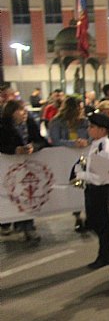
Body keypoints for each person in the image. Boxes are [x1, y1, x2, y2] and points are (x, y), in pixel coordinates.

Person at [73, 113, 109, 268]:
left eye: (92, 127)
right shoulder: (97, 144)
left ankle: (105, 255)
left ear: (102, 130)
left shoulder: (104, 148)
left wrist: (81, 175)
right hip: (94, 188)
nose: (89, 129)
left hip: (100, 189)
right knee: (97, 222)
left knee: (102, 224)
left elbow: (101, 177)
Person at [0, 100, 48, 241]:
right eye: (21, 110)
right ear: (12, 112)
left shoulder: (30, 124)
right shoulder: (3, 125)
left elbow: (41, 141)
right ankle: (8, 222)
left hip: (28, 166)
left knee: (27, 195)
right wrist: (15, 150)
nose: (25, 113)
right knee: (11, 194)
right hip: (8, 166)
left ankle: (28, 226)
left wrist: (34, 147)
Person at [49, 95, 90, 232]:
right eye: (79, 108)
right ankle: (77, 216)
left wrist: (86, 142)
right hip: (66, 160)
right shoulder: (56, 122)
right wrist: (73, 144)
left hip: (83, 158)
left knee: (86, 186)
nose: (81, 111)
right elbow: (55, 140)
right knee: (73, 187)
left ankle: (89, 215)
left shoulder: (85, 122)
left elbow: (91, 136)